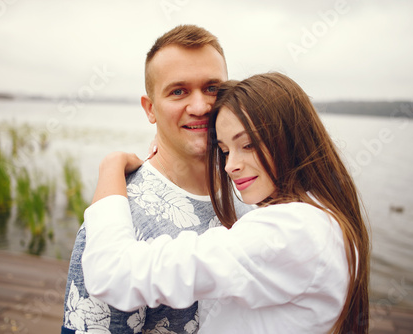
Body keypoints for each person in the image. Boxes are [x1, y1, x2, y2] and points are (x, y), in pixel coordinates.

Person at [81, 72, 371, 333]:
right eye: (224, 150)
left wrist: (111, 166)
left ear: (291, 138)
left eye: (248, 145)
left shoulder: (288, 233)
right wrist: (171, 158)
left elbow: (112, 272)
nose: (231, 165)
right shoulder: (324, 216)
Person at [61, 25, 251, 333]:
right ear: (150, 109)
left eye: (212, 88)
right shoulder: (117, 221)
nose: (201, 107)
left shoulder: (251, 191)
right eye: (178, 91)